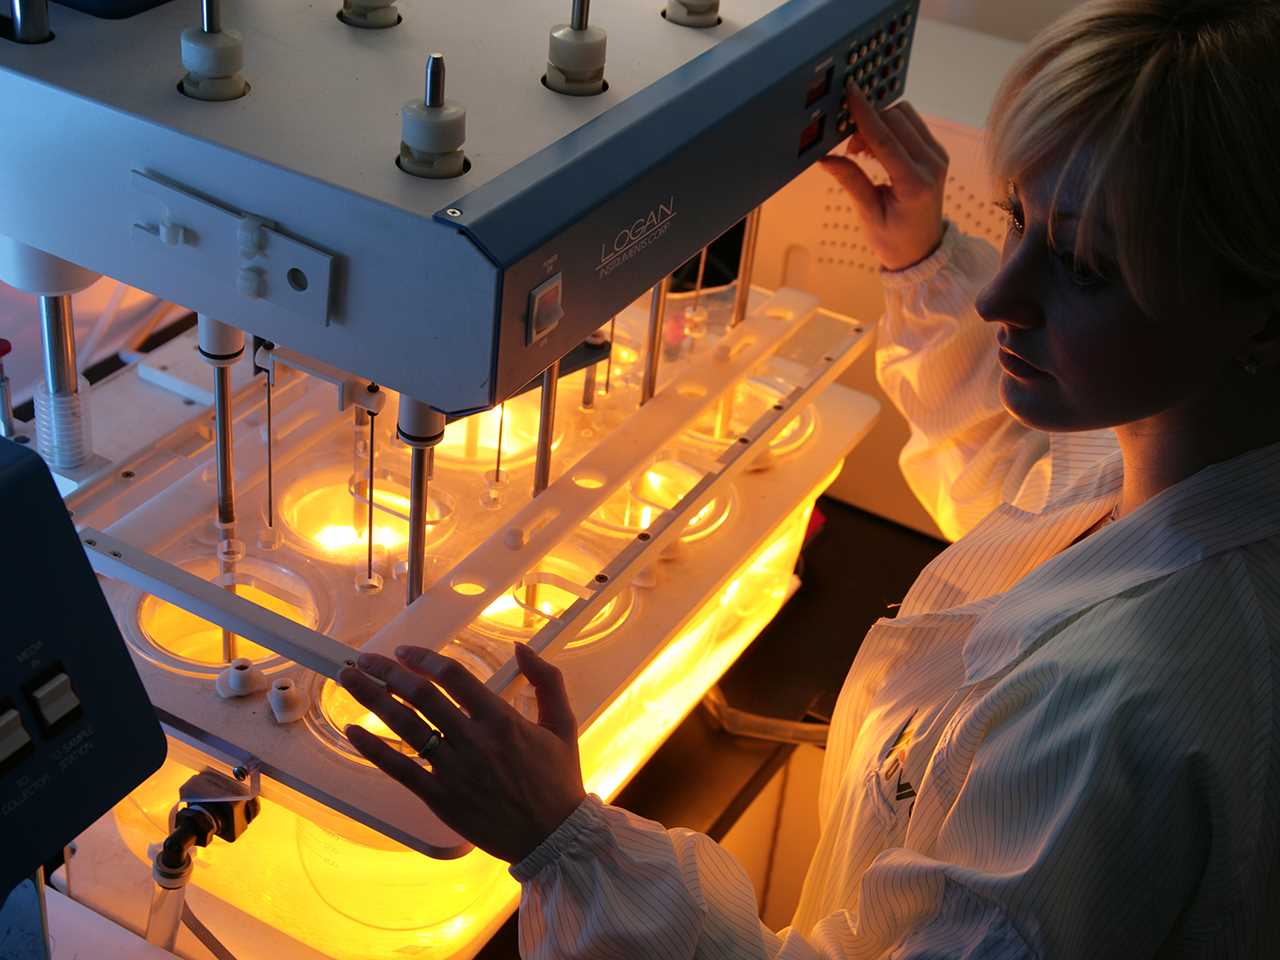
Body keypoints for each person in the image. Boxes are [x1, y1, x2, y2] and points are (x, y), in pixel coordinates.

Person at [338, 1, 1280, 955]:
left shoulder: (1108, 717)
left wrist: (563, 840)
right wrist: (921, 256)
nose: (1001, 293)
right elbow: (1030, 485)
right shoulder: (1180, 463)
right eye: (1017, 219)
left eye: (1080, 264)